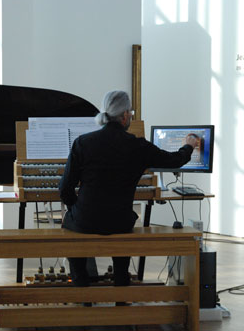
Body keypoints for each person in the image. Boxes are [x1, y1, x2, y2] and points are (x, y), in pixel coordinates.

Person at [59, 90, 197, 293]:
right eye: (130, 112)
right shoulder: (137, 145)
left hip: (85, 220)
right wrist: (189, 146)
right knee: (123, 226)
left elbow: (64, 189)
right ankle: (121, 292)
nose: (131, 116)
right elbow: (174, 160)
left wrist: (76, 208)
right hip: (119, 220)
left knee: (70, 224)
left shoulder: (83, 143)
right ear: (124, 115)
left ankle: (82, 292)